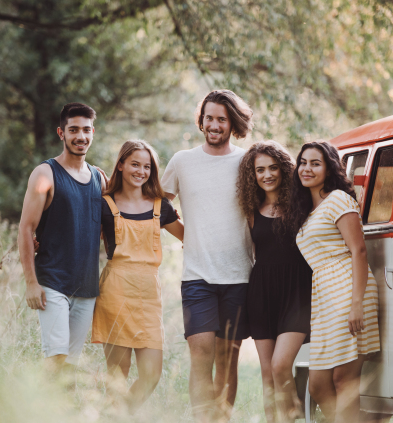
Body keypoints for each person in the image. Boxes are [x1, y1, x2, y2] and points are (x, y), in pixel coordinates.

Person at [161, 89, 254, 422]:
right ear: (201, 121)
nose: (214, 125)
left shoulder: (247, 161)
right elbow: (159, 205)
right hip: (197, 277)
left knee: (227, 360)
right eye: (209, 118)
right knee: (201, 354)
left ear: (233, 123)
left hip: (239, 277)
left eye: (222, 119)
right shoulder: (182, 161)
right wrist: (188, 236)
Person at [290, 141, 380, 423]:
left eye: (315, 163)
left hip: (349, 289)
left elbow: (359, 250)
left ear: (329, 168)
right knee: (317, 385)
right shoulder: (307, 211)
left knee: (344, 379)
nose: (307, 168)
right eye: (303, 162)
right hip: (325, 299)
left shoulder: (339, 199)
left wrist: (356, 304)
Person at [91, 140, 184, 413]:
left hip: (148, 295)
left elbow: (190, 238)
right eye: (134, 164)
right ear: (120, 165)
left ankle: (116, 417)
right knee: (117, 376)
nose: (141, 171)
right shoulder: (104, 204)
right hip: (115, 291)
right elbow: (82, 241)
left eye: (147, 166)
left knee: (151, 374)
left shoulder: (161, 207)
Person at [18, 102, 105, 371]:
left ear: (93, 132)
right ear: (61, 133)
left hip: (87, 288)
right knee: (55, 359)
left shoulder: (100, 178)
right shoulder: (45, 174)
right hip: (52, 284)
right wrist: (31, 283)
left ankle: (59, 413)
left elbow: (110, 224)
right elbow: (25, 228)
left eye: (86, 130)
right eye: (74, 129)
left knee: (69, 367)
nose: (81, 136)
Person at [236, 140, 312, 423]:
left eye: (273, 168)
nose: (267, 175)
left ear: (284, 169)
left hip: (298, 293)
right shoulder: (250, 209)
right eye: (260, 170)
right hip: (262, 293)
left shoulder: (302, 205)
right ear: (252, 175)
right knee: (268, 374)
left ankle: (294, 420)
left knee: (281, 366)